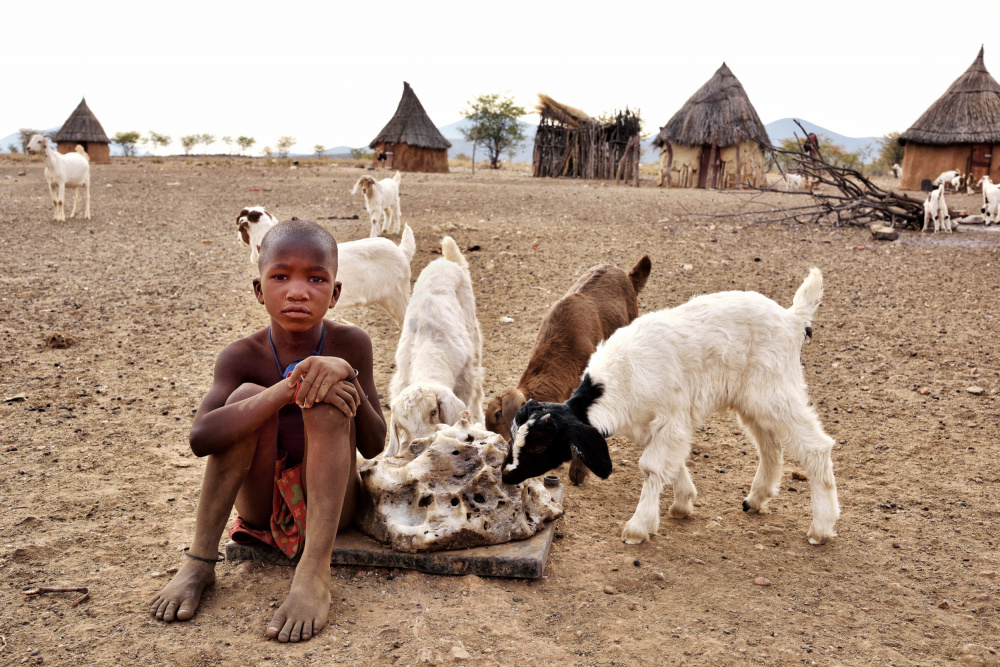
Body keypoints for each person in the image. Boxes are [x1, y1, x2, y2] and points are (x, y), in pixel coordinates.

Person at [149, 219, 386, 643]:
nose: (298, 290)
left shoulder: (352, 344)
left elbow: (374, 443)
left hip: (329, 506)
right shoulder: (241, 355)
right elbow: (201, 439)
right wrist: (285, 390)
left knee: (328, 395)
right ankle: (200, 561)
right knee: (244, 395)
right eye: (281, 276)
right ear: (259, 290)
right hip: (260, 503)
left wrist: (346, 374)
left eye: (316, 278)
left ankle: (313, 574)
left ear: (334, 294)